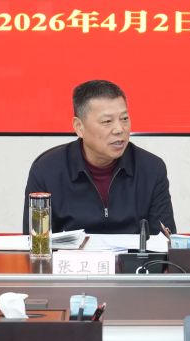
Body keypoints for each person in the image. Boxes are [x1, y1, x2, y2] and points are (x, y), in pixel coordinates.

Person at [21, 80, 176, 235]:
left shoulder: (151, 169)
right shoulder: (46, 171)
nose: (119, 129)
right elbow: (36, 242)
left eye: (124, 118)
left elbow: (164, 242)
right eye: (107, 121)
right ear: (79, 127)